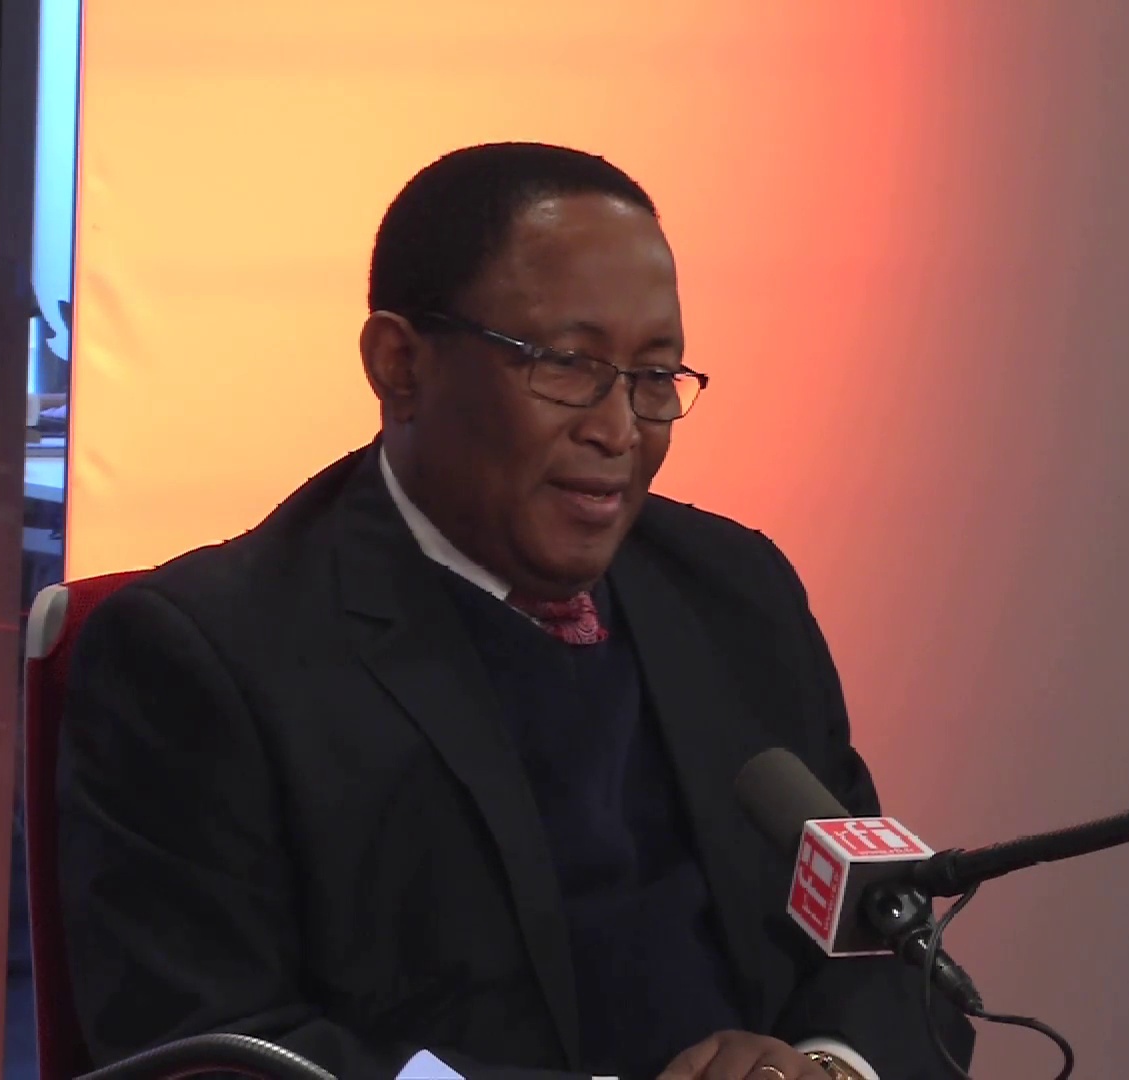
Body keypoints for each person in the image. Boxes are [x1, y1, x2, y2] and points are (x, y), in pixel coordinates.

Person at [58, 142, 976, 1080]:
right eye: (568, 365)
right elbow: (212, 1051)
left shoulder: (736, 593)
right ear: (399, 365)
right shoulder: (207, 658)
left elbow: (892, 940)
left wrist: (829, 1068)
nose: (618, 430)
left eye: (655, 376)